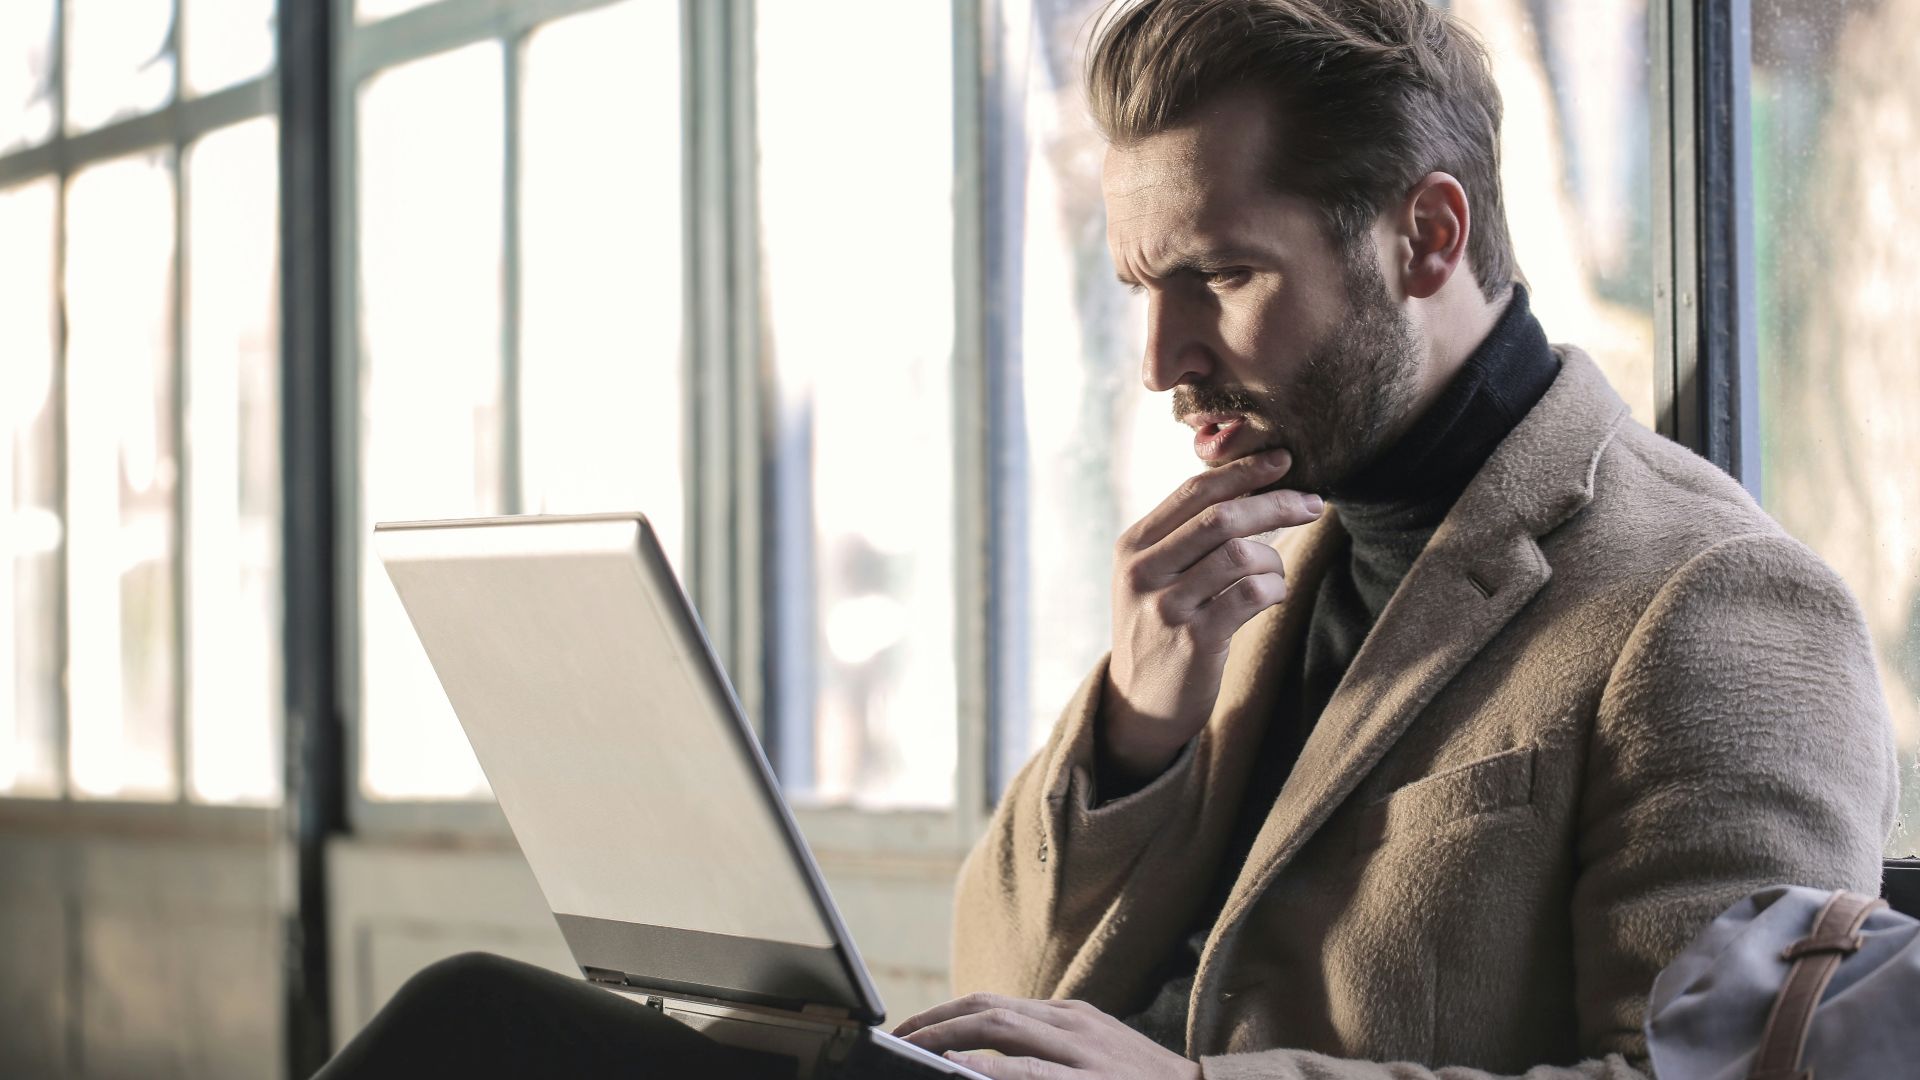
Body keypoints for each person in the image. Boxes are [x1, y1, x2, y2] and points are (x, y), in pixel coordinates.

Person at [313, 1, 1898, 1078]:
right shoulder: (1262, 552)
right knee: (479, 1031)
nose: (1161, 361)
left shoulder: (1714, 605)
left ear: (1427, 235)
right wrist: (1139, 727)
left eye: (1220, 275)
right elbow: (998, 971)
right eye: (1142, 285)